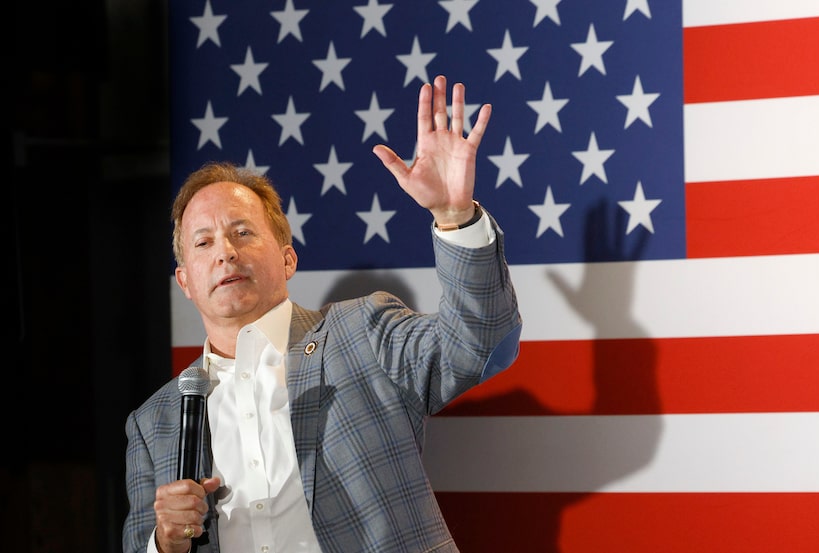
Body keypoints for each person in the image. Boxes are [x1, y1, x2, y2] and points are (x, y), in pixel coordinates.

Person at [123, 74, 522, 553]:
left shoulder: (363, 333)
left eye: (243, 233)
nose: (224, 253)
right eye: (203, 243)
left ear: (288, 258)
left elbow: (478, 346)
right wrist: (162, 543)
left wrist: (454, 216)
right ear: (185, 281)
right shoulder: (154, 424)